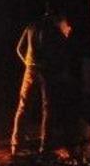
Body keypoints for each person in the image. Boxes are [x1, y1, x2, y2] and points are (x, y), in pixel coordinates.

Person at [11, 12, 71, 155]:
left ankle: (16, 145)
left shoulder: (31, 27)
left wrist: (27, 62)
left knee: (23, 106)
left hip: (30, 70)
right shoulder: (53, 30)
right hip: (46, 71)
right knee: (47, 108)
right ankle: (45, 145)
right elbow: (59, 53)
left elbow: (19, 48)